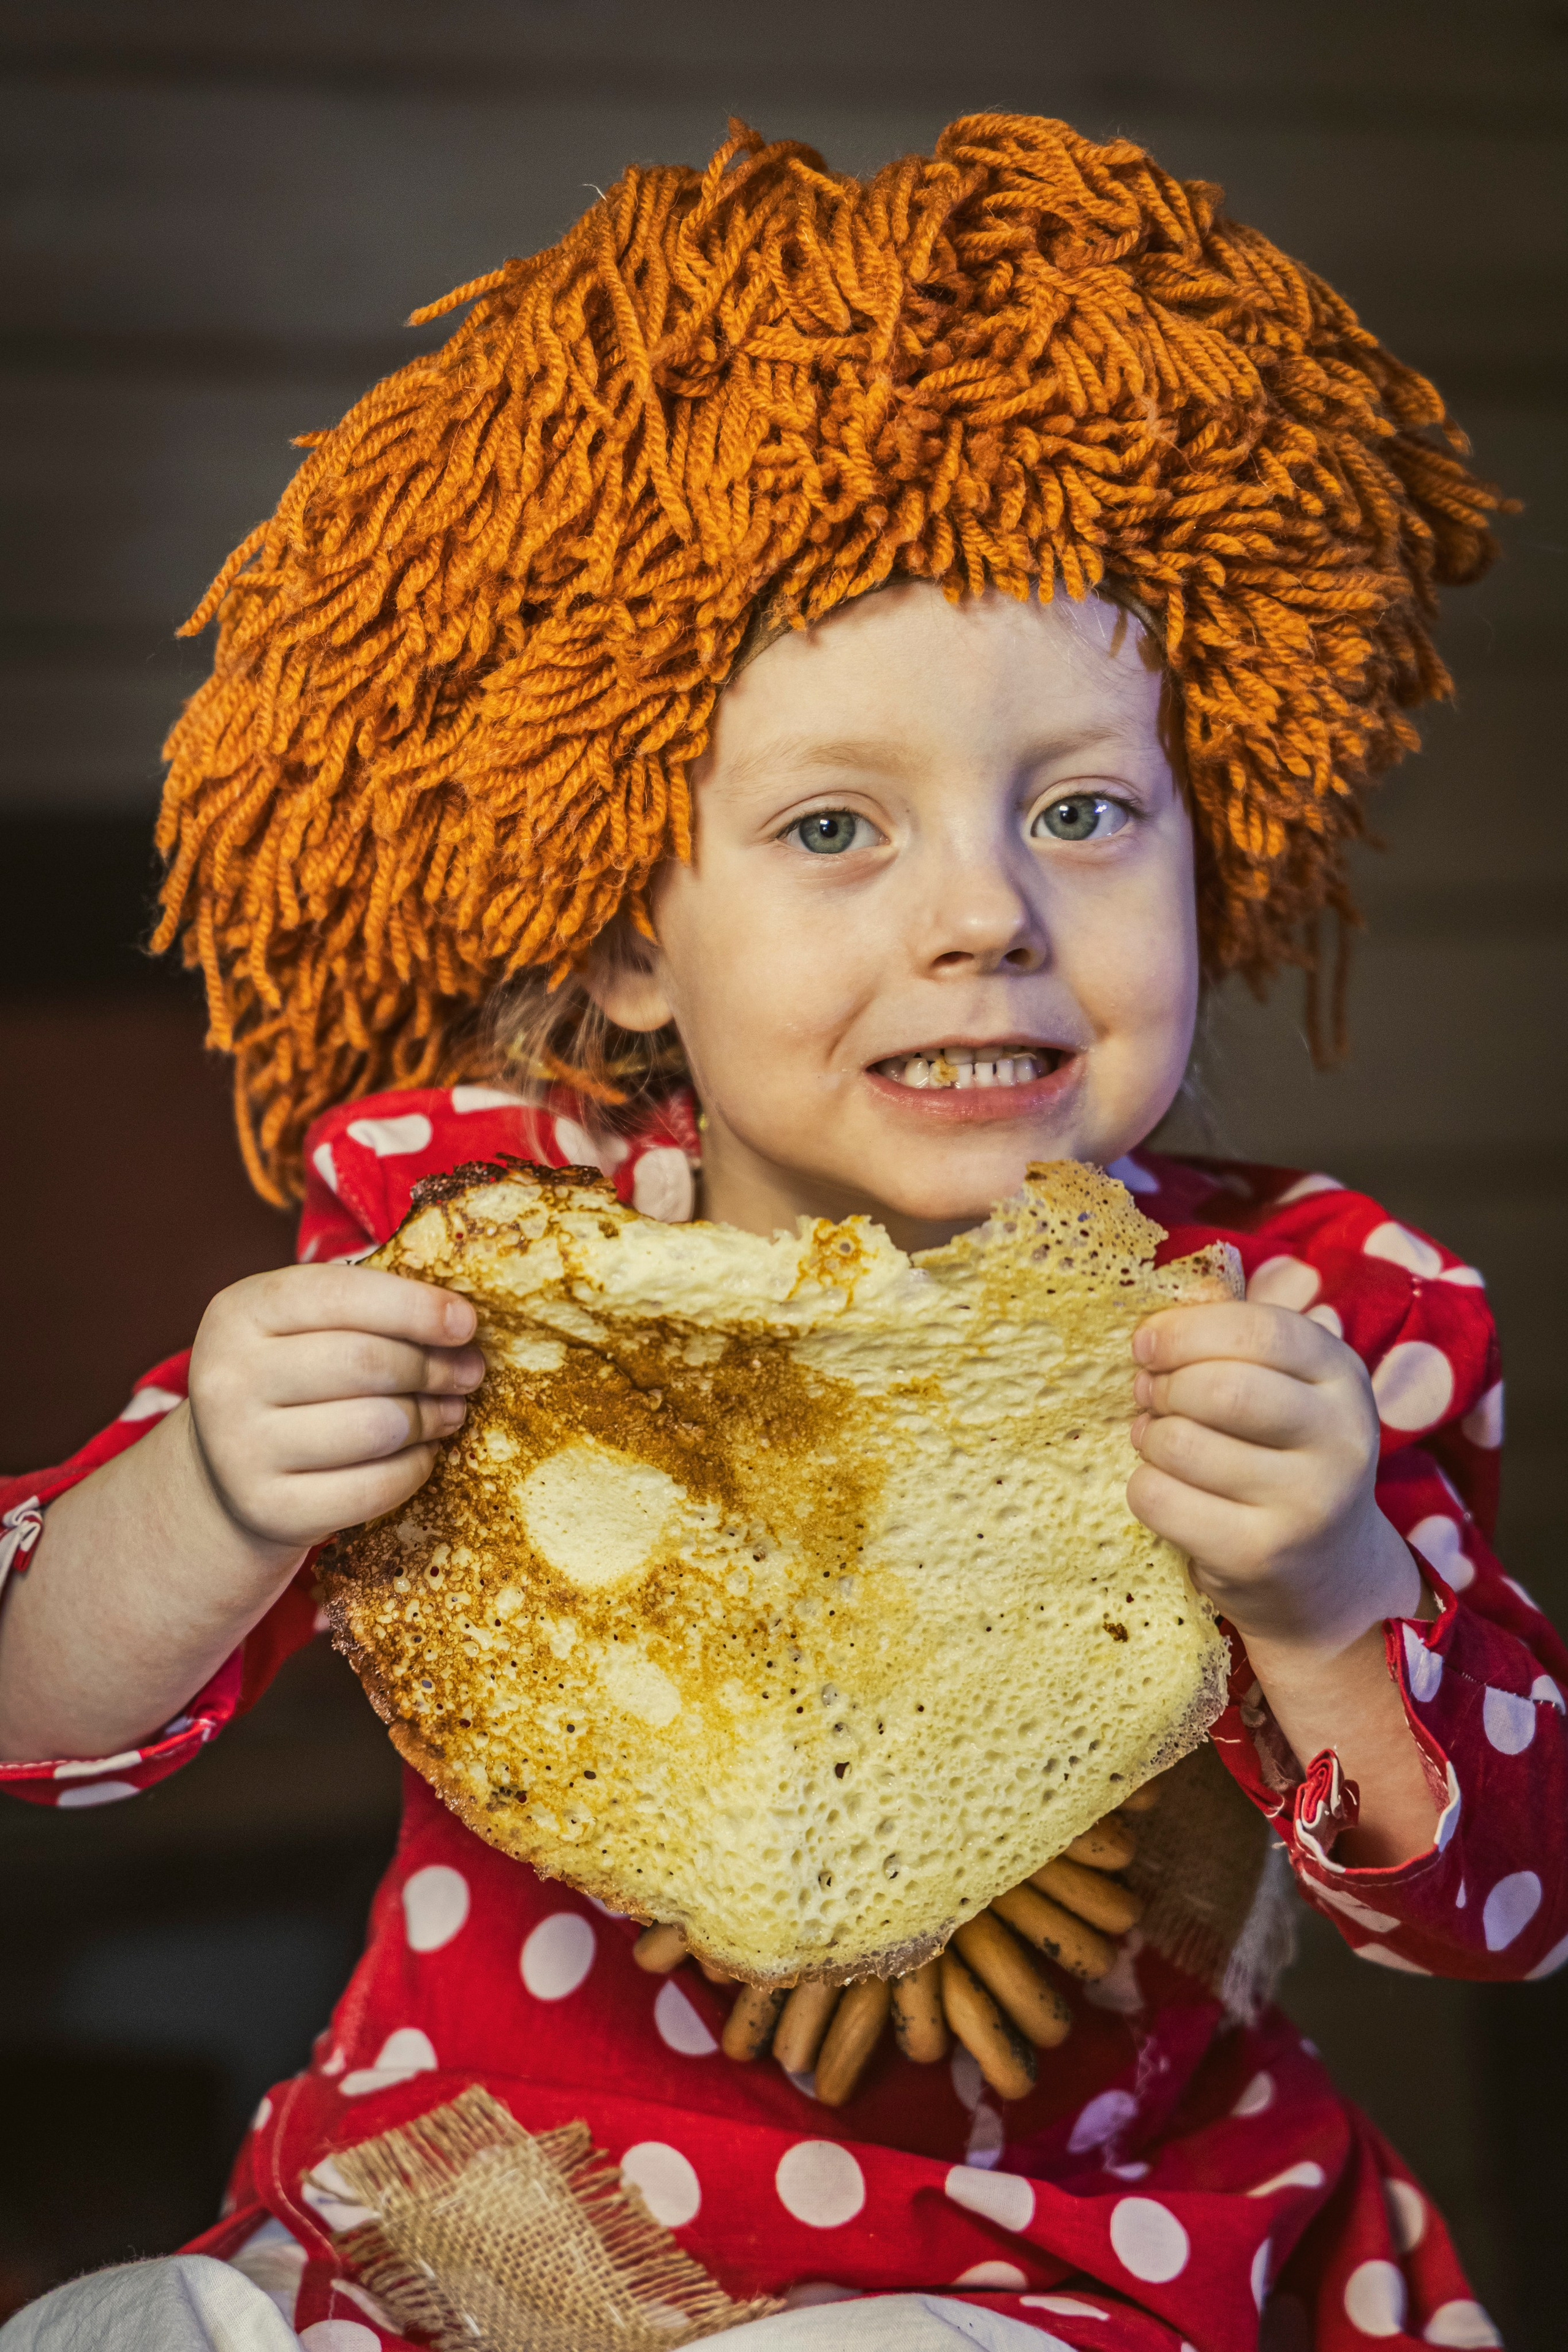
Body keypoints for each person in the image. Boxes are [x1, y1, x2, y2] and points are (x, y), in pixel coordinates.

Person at [0, 114, 1560, 2352]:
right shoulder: (472, 1258)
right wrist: (216, 1491)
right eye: (839, 822)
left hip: (1053, 2282)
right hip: (473, 2240)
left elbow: (1506, 1909)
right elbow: (32, 1709)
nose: (986, 915)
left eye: (1088, 811)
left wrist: (1329, 1596)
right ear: (631, 945)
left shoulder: (1307, 1328)